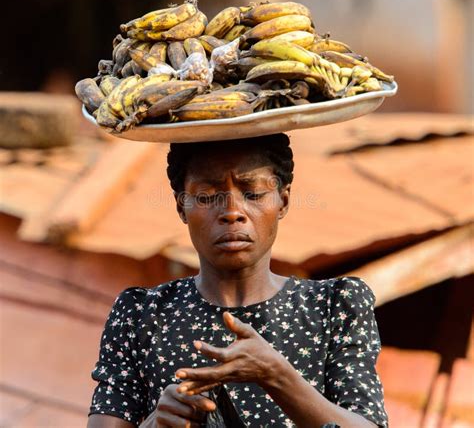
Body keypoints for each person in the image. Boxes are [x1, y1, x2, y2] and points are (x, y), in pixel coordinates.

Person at [87, 133, 388, 428]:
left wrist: (276, 375)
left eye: (254, 194)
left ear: (282, 201)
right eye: (206, 197)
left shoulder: (334, 305)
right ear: (181, 206)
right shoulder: (141, 313)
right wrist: (155, 423)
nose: (232, 213)